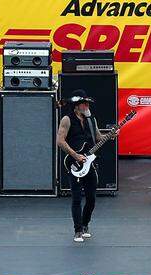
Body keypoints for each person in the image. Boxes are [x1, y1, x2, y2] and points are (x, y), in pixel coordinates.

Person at [56, 89, 100, 243]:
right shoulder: (67, 119)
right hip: (73, 162)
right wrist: (75, 155)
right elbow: (60, 141)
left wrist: (112, 134)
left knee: (91, 198)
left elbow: (99, 138)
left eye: (87, 103)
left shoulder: (91, 119)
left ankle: (85, 224)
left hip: (90, 162)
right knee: (76, 198)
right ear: (76, 105)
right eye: (83, 103)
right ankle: (77, 230)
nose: (86, 106)